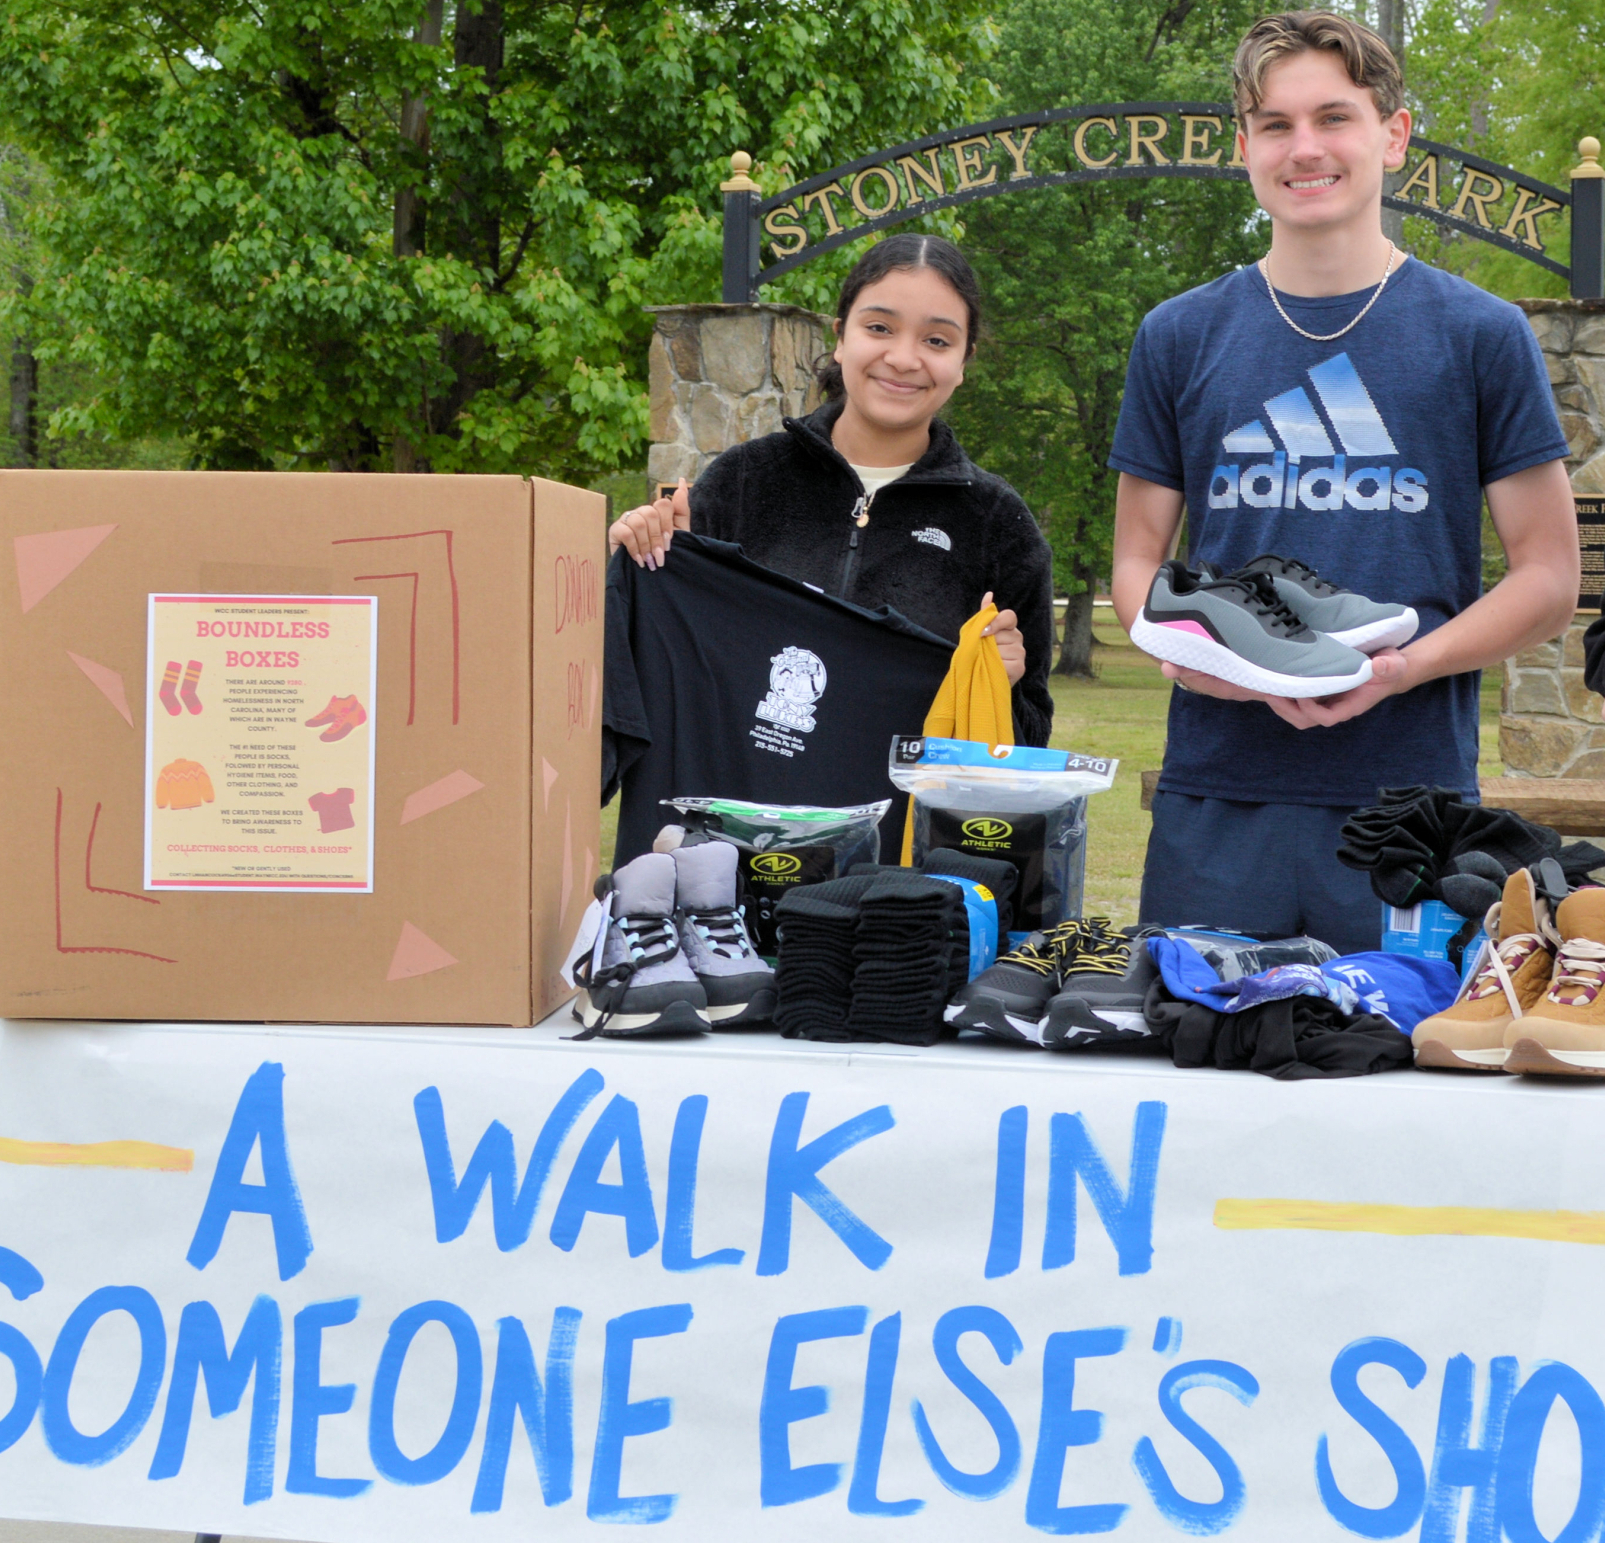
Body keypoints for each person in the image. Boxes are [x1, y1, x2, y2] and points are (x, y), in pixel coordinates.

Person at [1110, 9, 1578, 953]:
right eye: (1276, 125)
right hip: (1217, 794)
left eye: (1334, 117)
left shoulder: (1480, 334)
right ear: (1243, 146)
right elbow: (1137, 564)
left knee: (1404, 1087)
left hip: (1411, 806)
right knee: (1206, 1068)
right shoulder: (1178, 335)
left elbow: (1547, 579)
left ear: (1393, 135)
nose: (1305, 147)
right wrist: (1224, 666)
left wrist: (1400, 667)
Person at [610, 233, 1056, 752]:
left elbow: (1028, 739)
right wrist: (646, 558)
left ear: (963, 361)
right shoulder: (743, 481)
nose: (904, 358)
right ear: (841, 336)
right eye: (880, 328)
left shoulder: (1000, 526)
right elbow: (653, 673)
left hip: (901, 827)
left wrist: (1001, 684)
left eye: (937, 341)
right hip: (734, 821)